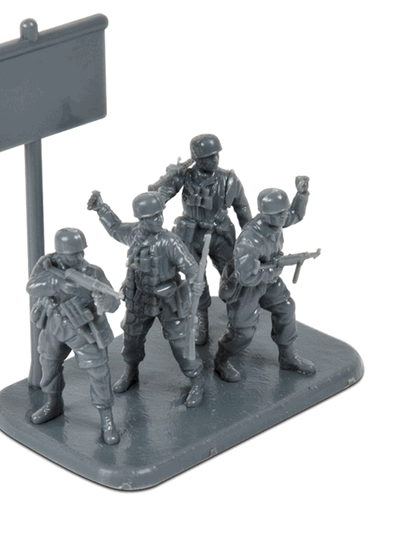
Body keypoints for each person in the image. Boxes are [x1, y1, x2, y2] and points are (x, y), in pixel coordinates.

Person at [87, 190, 207, 408]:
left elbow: (191, 268)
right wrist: (101, 208)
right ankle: (131, 372)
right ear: (141, 219)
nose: (158, 219)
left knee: (181, 345)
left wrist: (195, 283)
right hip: (140, 299)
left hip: (168, 301)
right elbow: (115, 228)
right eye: (152, 217)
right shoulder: (134, 234)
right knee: (131, 342)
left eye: (159, 214)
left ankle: (197, 380)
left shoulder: (170, 242)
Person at [149, 134, 252, 345]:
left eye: (216, 155)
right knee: (196, 280)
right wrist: (166, 179)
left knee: (233, 274)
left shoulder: (228, 179)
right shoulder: (185, 177)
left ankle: (237, 319)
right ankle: (200, 320)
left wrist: (250, 238)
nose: (214, 160)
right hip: (192, 235)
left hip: (221, 234)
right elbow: (159, 199)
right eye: (208, 157)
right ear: (197, 158)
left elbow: (242, 208)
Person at [215, 177, 317, 382]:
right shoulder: (249, 241)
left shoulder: (277, 221)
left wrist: (302, 195)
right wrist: (273, 271)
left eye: (284, 212)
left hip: (268, 280)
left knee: (286, 307)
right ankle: (221, 360)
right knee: (242, 332)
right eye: (280, 213)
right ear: (266, 214)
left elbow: (296, 214)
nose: (284, 216)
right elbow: (246, 277)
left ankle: (287, 356)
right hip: (247, 287)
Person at [26, 228, 121, 445]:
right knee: (49, 365)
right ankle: (53, 403)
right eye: (73, 254)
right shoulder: (48, 266)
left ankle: (106, 418)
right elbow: (31, 287)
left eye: (81, 252)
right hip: (54, 325)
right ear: (59, 254)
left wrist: (106, 302)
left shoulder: (92, 272)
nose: (79, 257)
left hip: (84, 328)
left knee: (98, 372)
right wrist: (57, 284)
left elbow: (114, 302)